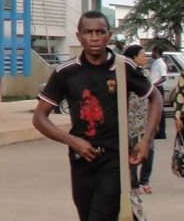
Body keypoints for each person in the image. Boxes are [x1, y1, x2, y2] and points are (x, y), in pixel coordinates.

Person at [33, 11, 163, 221]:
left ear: (108, 35)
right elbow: (39, 118)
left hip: (115, 158)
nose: (94, 38)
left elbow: (155, 97)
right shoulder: (65, 72)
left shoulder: (122, 67)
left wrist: (146, 140)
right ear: (78, 36)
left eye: (100, 32)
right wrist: (73, 141)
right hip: (81, 159)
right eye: (88, 32)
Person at [123, 45, 151, 194]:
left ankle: (144, 181)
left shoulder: (146, 73)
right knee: (133, 151)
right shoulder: (125, 74)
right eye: (142, 55)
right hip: (131, 119)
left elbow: (153, 97)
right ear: (134, 57)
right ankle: (133, 184)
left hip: (146, 118)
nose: (145, 58)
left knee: (149, 150)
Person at [149, 47, 168, 141]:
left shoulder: (161, 63)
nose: (151, 54)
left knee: (160, 110)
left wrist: (153, 84)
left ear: (156, 52)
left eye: (152, 52)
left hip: (158, 88)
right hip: (155, 88)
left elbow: (164, 77)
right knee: (155, 110)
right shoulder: (156, 62)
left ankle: (162, 132)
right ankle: (158, 131)